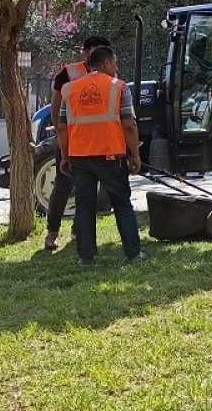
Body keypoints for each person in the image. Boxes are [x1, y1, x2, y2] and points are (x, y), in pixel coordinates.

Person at [57, 46, 144, 266]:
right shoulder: (118, 87)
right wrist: (135, 154)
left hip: (79, 157)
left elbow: (61, 127)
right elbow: (129, 124)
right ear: (106, 63)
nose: (116, 69)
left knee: (84, 206)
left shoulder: (70, 89)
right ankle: (133, 254)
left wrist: (65, 157)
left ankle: (86, 257)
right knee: (122, 204)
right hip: (110, 155)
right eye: (115, 64)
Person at [44, 35, 112, 251]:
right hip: (71, 140)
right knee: (63, 186)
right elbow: (56, 108)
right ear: (86, 52)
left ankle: (78, 229)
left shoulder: (110, 74)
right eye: (97, 50)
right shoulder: (68, 73)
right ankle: (52, 233)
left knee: (90, 187)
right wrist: (61, 135)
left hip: (97, 142)